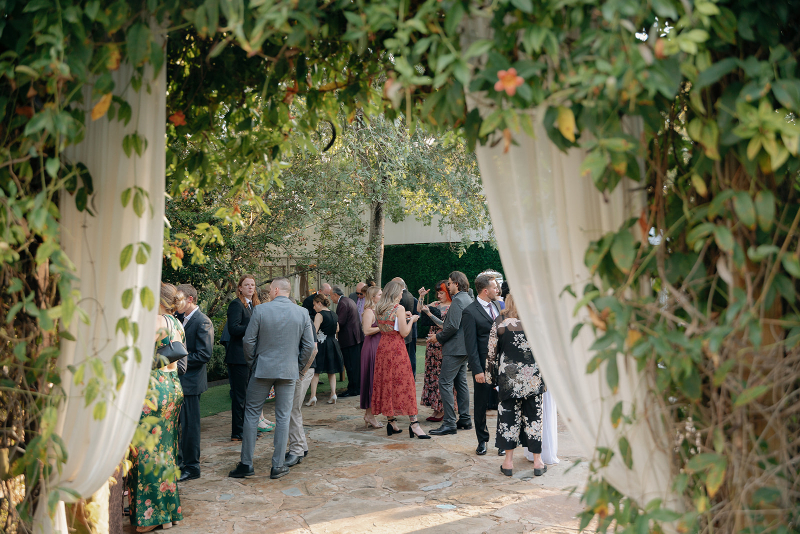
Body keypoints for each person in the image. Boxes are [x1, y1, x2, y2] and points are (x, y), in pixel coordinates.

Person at [228, 277, 316, 479]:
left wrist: (254, 363)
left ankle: (246, 464)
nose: (268, 292)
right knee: (283, 417)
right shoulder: (302, 312)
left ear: (276, 290)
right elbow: (309, 346)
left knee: (251, 414)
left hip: (262, 369)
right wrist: (298, 366)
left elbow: (248, 341)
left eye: (269, 289)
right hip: (288, 370)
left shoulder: (261, 310)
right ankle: (277, 466)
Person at [128, 283, 185, 532]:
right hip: (172, 387)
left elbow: (138, 353)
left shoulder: (156, 320)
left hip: (153, 389)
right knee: (166, 452)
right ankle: (168, 514)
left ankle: (150, 517)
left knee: (145, 451)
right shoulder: (176, 322)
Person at [486, 293, 545, 477]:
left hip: (508, 380)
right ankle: (537, 462)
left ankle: (508, 463)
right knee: (534, 420)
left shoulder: (500, 322)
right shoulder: (535, 321)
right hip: (532, 379)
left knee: (507, 421)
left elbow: (491, 354)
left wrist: (491, 378)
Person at [371, 281, 429, 439]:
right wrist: (412, 320)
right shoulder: (399, 308)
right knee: (405, 383)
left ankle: (392, 422)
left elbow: (389, 325)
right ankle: (414, 424)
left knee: (387, 383)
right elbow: (403, 332)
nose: (402, 294)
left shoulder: (378, 308)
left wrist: (405, 317)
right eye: (401, 292)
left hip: (383, 348)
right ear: (395, 293)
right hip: (396, 349)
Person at [175, 283, 213, 482]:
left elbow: (204, 354)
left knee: (190, 427)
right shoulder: (177, 318)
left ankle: (192, 467)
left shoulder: (202, 321)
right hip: (179, 382)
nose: (175, 303)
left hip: (191, 383)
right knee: (178, 425)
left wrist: (176, 361)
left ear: (190, 299)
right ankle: (179, 463)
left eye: (179, 298)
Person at [428, 271, 473, 436]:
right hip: (464, 348)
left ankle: (449, 423)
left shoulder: (458, 300)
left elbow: (452, 326)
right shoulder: (468, 299)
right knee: (461, 383)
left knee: (445, 383)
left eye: (450, 283)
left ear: (457, 284)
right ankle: (465, 419)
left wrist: (437, 337)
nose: (448, 286)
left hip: (454, 349)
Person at [462, 273, 502, 456]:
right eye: (494, 287)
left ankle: (503, 441)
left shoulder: (496, 305)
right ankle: (482, 440)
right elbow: (470, 345)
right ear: (486, 290)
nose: (497, 290)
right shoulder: (470, 311)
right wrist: (477, 369)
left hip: (501, 364)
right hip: (483, 367)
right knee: (480, 404)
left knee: (504, 403)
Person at [225, 274, 261, 442]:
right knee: (240, 397)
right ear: (239, 287)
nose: (250, 287)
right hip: (238, 357)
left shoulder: (254, 305)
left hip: (250, 356)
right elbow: (233, 329)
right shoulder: (236, 304)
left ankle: (248, 429)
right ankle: (237, 432)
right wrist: (253, 325)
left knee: (249, 396)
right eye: (246, 285)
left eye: (252, 285)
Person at [417, 280, 451, 422]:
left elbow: (445, 326)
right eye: (438, 292)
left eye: (442, 292)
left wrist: (429, 314)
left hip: (442, 343)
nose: (439, 295)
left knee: (440, 376)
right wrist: (421, 297)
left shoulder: (452, 307)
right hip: (432, 344)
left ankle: (442, 409)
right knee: (432, 374)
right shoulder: (436, 304)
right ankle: (436, 408)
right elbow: (419, 309)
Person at [305, 294, 343, 405]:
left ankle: (313, 396)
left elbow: (314, 331)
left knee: (316, 371)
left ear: (319, 303)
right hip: (333, 343)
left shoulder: (319, 315)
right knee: (331, 371)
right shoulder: (334, 314)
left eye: (314, 305)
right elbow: (337, 328)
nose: (313, 307)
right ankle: (333, 393)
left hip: (322, 345)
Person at [287, 330, 318, 461]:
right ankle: (301, 447)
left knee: (293, 410)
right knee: (293, 411)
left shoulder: (304, 318)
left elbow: (314, 348)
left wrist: (301, 371)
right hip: (299, 370)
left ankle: (298, 449)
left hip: (303, 370)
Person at [331, 285, 363, 398]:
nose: (331, 299)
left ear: (336, 294)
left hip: (349, 339)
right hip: (355, 338)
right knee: (354, 365)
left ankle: (353, 389)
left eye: (331, 296)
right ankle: (356, 387)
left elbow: (341, 321)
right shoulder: (348, 300)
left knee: (351, 366)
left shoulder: (342, 303)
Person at [359, 286, 383, 428]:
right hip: (371, 348)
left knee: (375, 382)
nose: (382, 296)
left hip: (378, 347)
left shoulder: (378, 310)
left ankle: (370, 414)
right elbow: (367, 330)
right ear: (373, 297)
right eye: (379, 295)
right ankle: (370, 415)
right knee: (371, 381)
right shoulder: (369, 311)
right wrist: (383, 326)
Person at [392, 277, 419, 376]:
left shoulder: (401, 298)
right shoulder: (410, 295)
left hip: (405, 330)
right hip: (412, 330)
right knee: (411, 354)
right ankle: (412, 376)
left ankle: (409, 377)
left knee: (407, 356)